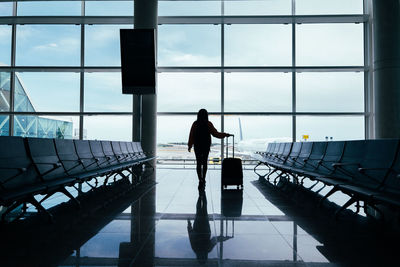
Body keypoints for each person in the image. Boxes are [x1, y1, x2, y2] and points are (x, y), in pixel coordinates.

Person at [188, 109, 231, 190]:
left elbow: (191, 135)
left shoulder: (195, 124)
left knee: (198, 163)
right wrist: (225, 134)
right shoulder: (208, 124)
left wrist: (190, 145)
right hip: (205, 147)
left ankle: (200, 180)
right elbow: (216, 134)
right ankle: (203, 179)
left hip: (197, 146)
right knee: (204, 163)